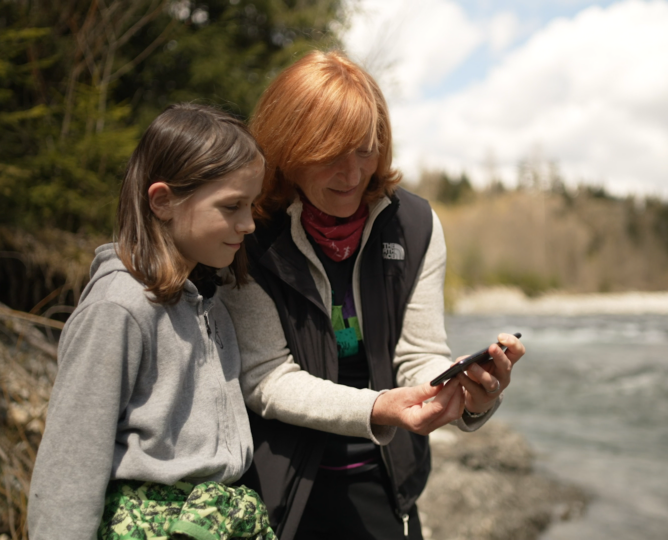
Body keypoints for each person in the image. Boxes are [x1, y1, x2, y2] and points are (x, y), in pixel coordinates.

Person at [220, 50, 526, 540]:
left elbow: (421, 355)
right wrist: (379, 408)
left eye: (365, 150)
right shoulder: (247, 232)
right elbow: (266, 377)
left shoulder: (416, 225)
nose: (352, 173)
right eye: (330, 154)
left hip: (387, 484)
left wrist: (468, 396)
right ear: (287, 149)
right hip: (280, 491)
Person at [27, 103, 275, 540]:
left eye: (251, 205)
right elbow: (71, 462)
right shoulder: (117, 307)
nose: (249, 223)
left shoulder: (210, 302)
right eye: (232, 206)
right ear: (163, 201)